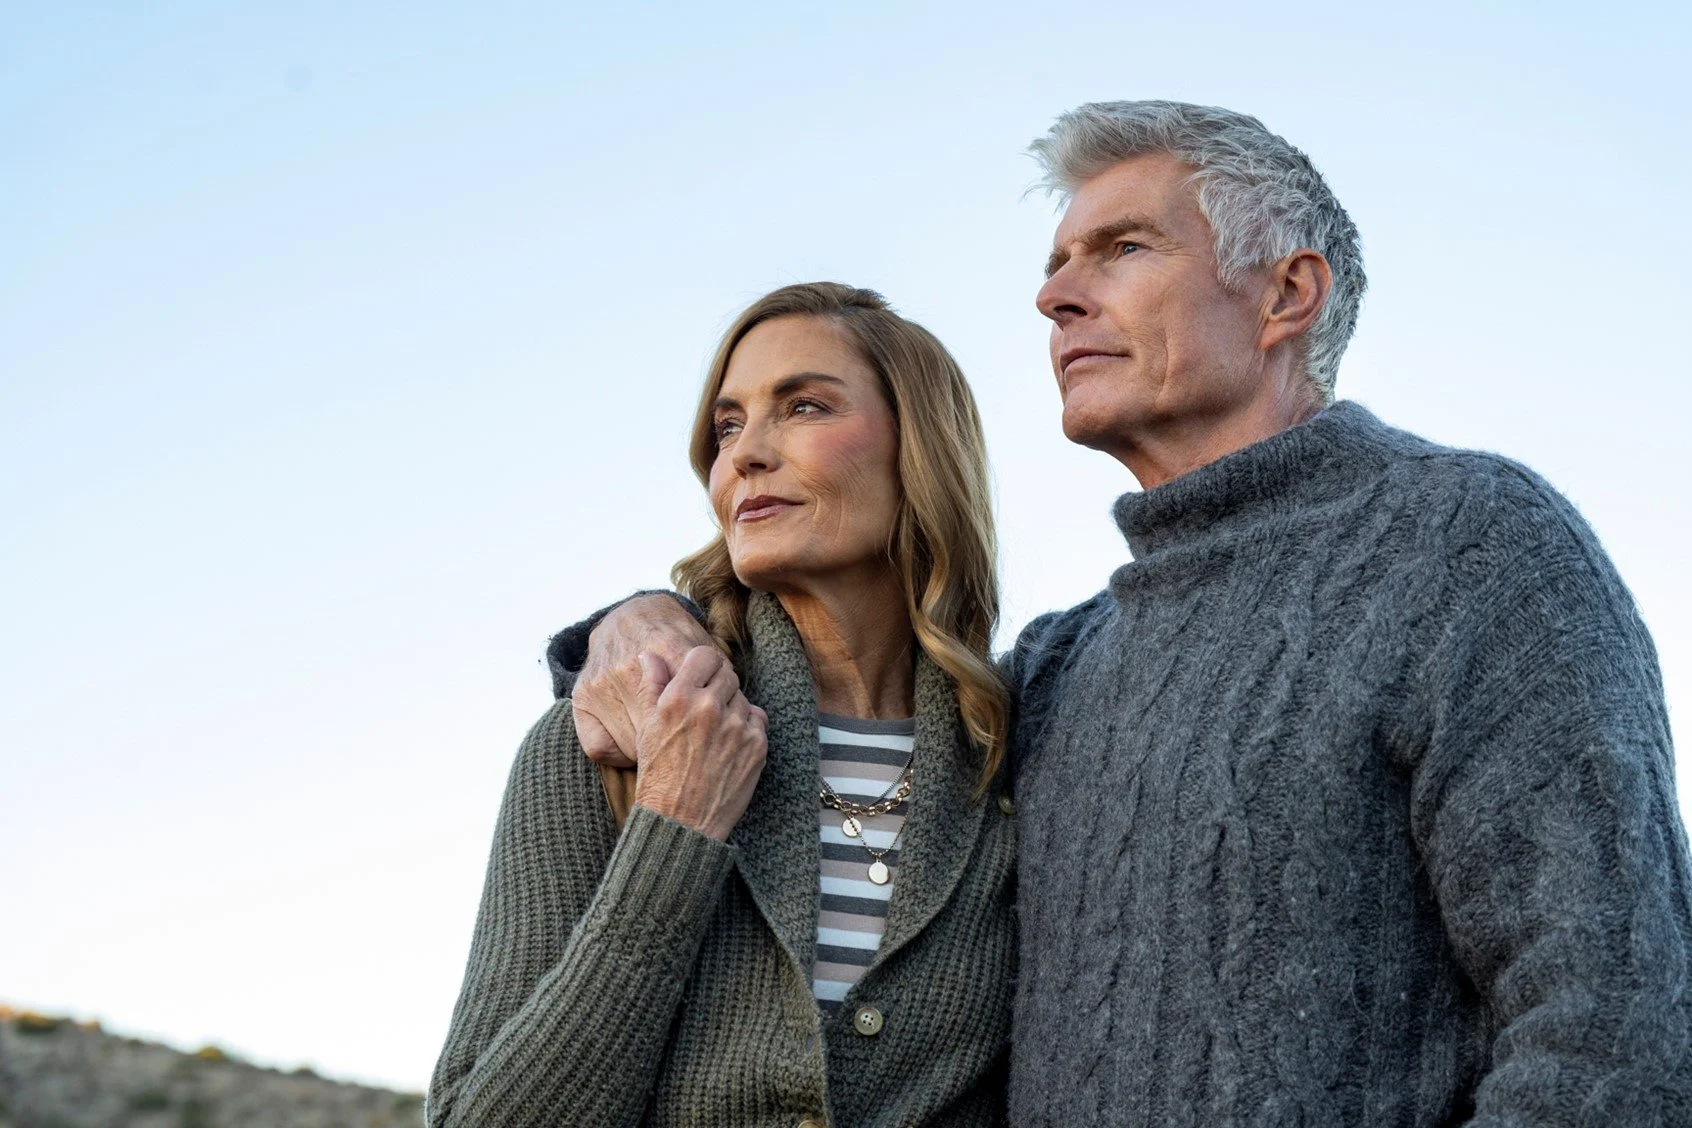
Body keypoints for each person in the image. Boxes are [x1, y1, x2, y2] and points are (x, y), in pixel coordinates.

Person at [558, 102, 1692, 1125]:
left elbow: (1614, 1012)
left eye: (1123, 248)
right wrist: (639, 619)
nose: (1053, 294)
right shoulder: (1057, 666)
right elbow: (867, 695)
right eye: (1056, 265)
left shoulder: (1470, 544)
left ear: (1288, 295)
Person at [427, 282, 1017, 1128]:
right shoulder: (607, 741)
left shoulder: (1016, 757)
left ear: (920, 445)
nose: (744, 454)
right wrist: (677, 826)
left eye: (804, 406)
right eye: (728, 425)